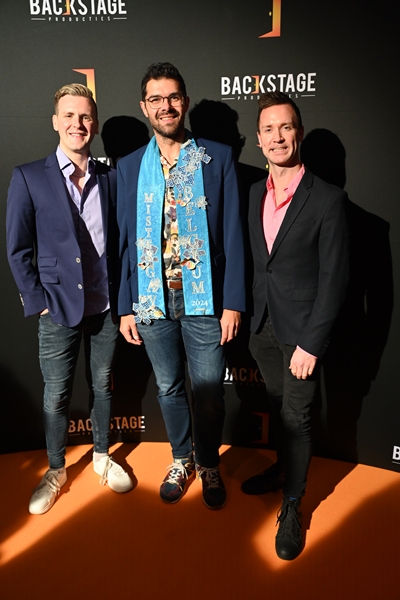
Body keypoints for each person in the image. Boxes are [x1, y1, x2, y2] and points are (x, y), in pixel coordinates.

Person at [117, 62, 246, 509]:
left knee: (208, 391)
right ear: (144, 107)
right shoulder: (130, 166)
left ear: (185, 102)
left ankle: (208, 463)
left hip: (204, 297)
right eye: (156, 99)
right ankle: (180, 458)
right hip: (151, 298)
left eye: (173, 97)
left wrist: (233, 302)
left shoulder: (214, 156)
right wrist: (125, 306)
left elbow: (233, 233)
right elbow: (123, 242)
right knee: (169, 387)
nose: (166, 106)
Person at [6, 83, 133, 515]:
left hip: (105, 308)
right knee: (56, 395)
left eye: (85, 117)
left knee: (102, 385)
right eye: (69, 116)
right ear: (55, 122)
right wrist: (38, 301)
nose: (78, 124)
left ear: (93, 124)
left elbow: (119, 243)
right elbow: (17, 249)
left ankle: (101, 456)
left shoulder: (110, 178)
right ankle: (56, 470)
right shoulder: (29, 177)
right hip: (57, 309)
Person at [241, 92, 349, 559]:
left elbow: (334, 281)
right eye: (268, 129)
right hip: (262, 327)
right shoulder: (254, 193)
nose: (277, 137)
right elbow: (259, 265)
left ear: (298, 133)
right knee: (277, 406)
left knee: (297, 418)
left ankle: (292, 505)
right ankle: (283, 469)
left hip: (302, 335)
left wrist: (312, 343)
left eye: (286, 127)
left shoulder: (327, 199)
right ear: (259, 139)